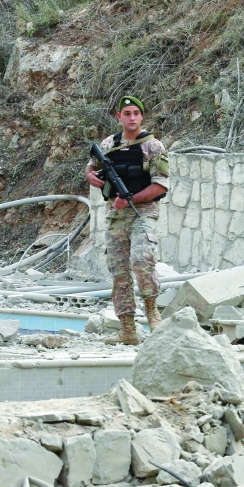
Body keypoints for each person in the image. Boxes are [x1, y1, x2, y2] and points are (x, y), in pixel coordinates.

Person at [85, 96, 169, 345]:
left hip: (143, 212)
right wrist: (91, 177)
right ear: (119, 117)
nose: (131, 118)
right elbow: (91, 167)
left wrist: (131, 198)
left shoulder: (153, 147)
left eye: (136, 113)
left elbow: (160, 186)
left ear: (142, 117)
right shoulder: (109, 143)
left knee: (142, 260)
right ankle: (127, 329)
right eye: (127, 113)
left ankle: (153, 312)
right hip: (116, 214)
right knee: (119, 271)